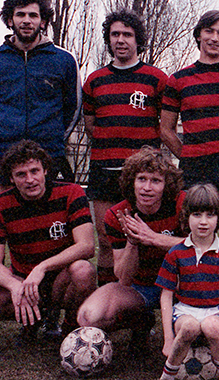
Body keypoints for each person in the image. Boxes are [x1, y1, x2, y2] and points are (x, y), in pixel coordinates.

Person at [0, 0, 81, 340]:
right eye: (20, 14)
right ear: (10, 19)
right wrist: (6, 134)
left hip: (51, 153)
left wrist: (49, 142)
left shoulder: (63, 60)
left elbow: (71, 109)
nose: (27, 20)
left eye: (33, 14)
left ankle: (51, 315)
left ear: (43, 19)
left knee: (57, 235)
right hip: (4, 153)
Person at [0, 140, 95, 342]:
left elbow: (87, 246)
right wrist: (14, 285)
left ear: (45, 170)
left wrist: (42, 267)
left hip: (60, 278)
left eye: (34, 171)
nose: (30, 179)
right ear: (11, 178)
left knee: (83, 270)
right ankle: (34, 317)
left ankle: (70, 328)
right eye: (21, 174)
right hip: (24, 280)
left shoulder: (71, 192)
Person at [135, 184, 219, 380]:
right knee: (189, 327)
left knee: (211, 327)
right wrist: (168, 337)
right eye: (197, 214)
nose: (203, 221)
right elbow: (166, 294)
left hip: (214, 310)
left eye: (210, 215)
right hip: (185, 310)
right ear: (186, 217)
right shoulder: (176, 253)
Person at [82, 10, 168, 286]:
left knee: (145, 240)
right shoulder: (94, 81)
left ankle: (142, 305)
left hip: (142, 176)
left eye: (127, 35)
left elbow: (165, 125)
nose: (121, 40)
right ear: (108, 39)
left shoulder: (156, 79)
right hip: (104, 170)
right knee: (107, 241)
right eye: (115, 34)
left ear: (137, 40)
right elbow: (91, 125)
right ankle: (108, 297)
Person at [160, 10, 219, 248]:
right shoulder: (178, 80)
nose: (215, 38)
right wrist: (187, 154)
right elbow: (166, 129)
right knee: (191, 240)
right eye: (209, 31)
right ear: (199, 35)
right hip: (194, 169)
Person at [77, 147, 185, 350]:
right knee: (89, 317)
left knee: (191, 333)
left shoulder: (182, 204)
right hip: (140, 287)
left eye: (155, 181)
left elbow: (203, 249)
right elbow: (124, 278)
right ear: (131, 182)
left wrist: (153, 238)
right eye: (141, 179)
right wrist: (133, 242)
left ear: (166, 185)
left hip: (180, 286)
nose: (147, 187)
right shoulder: (117, 214)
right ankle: (141, 321)